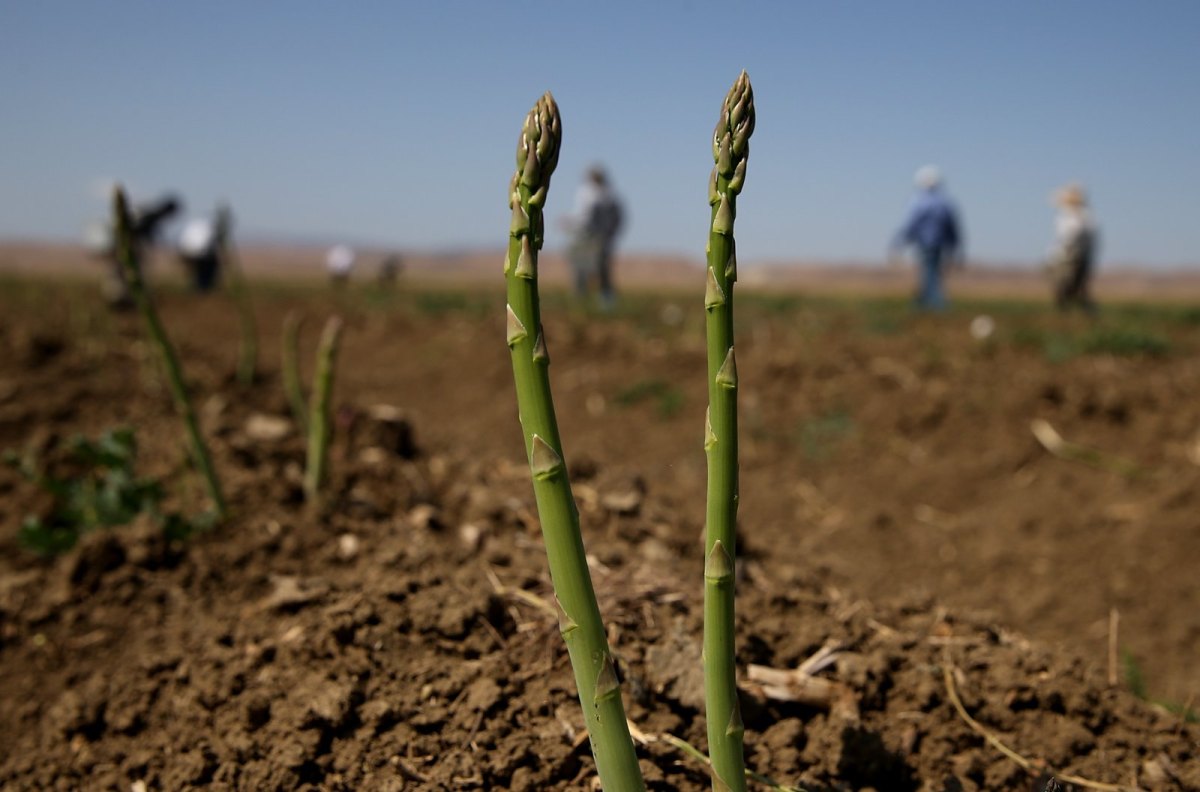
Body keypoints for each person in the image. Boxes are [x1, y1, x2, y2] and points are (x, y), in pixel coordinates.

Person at [85, 193, 182, 309]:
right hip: (124, 247)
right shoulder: (148, 215)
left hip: (123, 247)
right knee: (124, 273)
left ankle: (124, 298)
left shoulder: (146, 213)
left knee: (123, 273)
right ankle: (119, 298)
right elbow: (134, 232)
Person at [892, 166, 963, 311]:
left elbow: (911, 224)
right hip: (939, 244)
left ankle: (936, 303)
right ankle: (925, 301)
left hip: (924, 243)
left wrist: (899, 242)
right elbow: (952, 227)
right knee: (932, 271)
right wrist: (955, 246)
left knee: (929, 272)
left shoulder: (917, 201)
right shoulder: (945, 202)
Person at [561, 165, 623, 309]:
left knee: (583, 271)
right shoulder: (610, 196)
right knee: (600, 271)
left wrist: (568, 223)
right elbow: (619, 219)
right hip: (600, 239)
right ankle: (604, 304)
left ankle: (584, 303)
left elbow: (584, 218)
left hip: (587, 238)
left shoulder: (590, 194)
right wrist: (610, 234)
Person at [1047, 184, 1098, 314]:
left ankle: (1077, 313)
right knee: (1072, 288)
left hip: (1072, 257)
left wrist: (1068, 251)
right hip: (1071, 256)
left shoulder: (1080, 217)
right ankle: (1075, 313)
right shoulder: (1074, 216)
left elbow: (1071, 237)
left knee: (1070, 287)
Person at [178, 214, 221, 292]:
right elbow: (210, 245)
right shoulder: (210, 228)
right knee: (206, 268)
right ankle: (204, 287)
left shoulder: (194, 226)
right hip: (201, 254)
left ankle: (200, 286)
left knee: (198, 270)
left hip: (187, 251)